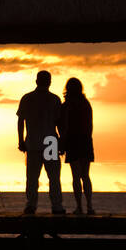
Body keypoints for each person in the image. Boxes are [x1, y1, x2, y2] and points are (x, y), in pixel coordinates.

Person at [16, 70, 64, 215]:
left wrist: (20, 140)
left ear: (36, 81)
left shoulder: (27, 98)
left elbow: (20, 121)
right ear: (49, 82)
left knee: (32, 177)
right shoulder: (55, 100)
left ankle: (31, 205)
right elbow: (59, 123)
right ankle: (56, 206)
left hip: (33, 142)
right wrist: (61, 142)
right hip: (50, 141)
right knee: (54, 177)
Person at [60, 77, 95, 215]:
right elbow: (90, 125)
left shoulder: (67, 105)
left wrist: (62, 143)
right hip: (85, 141)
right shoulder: (86, 104)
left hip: (73, 142)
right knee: (85, 175)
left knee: (76, 176)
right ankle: (90, 206)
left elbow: (64, 127)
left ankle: (79, 207)